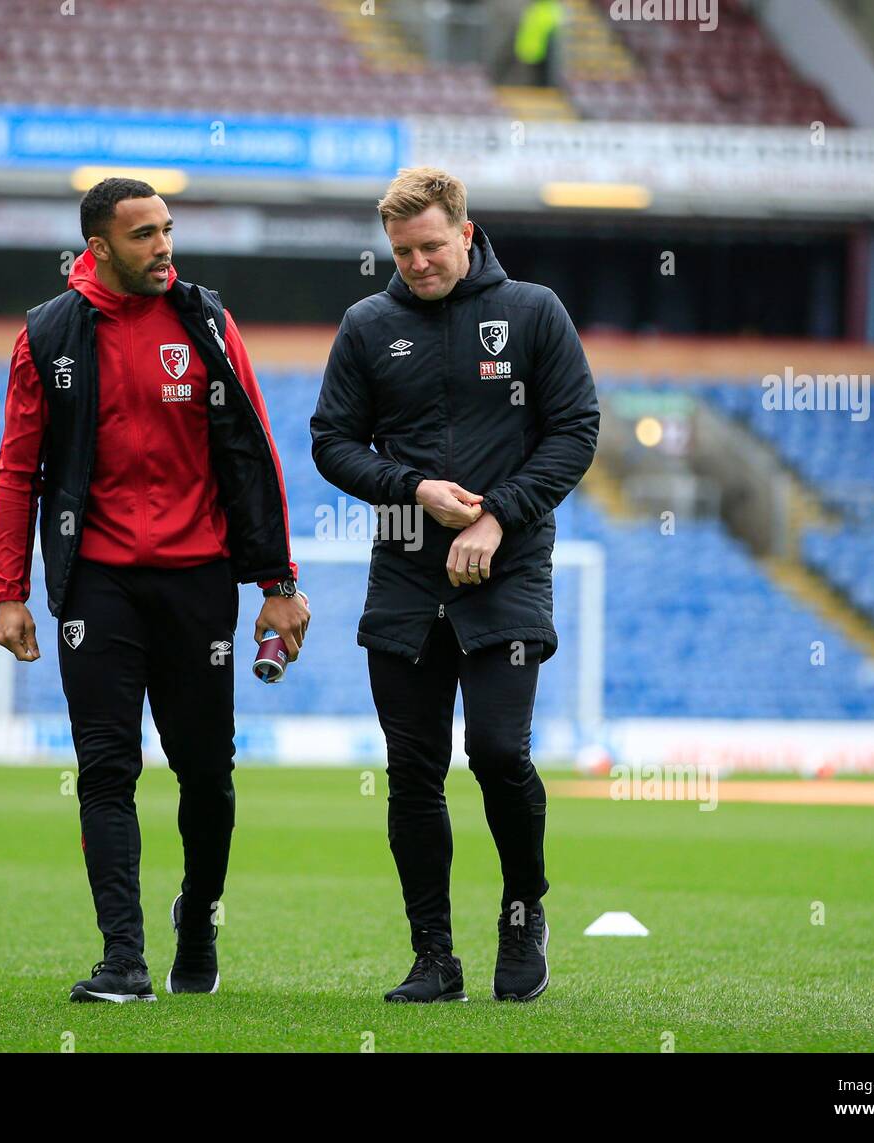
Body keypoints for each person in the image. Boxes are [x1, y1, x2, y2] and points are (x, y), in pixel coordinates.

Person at [0, 178, 309, 1003]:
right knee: (105, 768)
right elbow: (17, 467)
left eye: (167, 230)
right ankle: (122, 959)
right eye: (143, 235)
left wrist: (279, 581)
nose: (163, 246)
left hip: (199, 580)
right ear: (97, 247)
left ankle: (197, 915)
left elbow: (254, 448)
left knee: (206, 772)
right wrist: (8, 591)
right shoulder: (48, 335)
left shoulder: (206, 321)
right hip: (97, 583)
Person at [310, 167, 599, 1003]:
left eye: (431, 246)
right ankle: (433, 955)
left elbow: (577, 428)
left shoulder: (534, 311)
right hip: (403, 572)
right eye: (401, 251)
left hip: (505, 568)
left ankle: (522, 911)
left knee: (499, 752)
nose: (416, 263)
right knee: (413, 770)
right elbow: (332, 440)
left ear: (466, 234)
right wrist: (413, 489)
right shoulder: (367, 325)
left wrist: (497, 515)